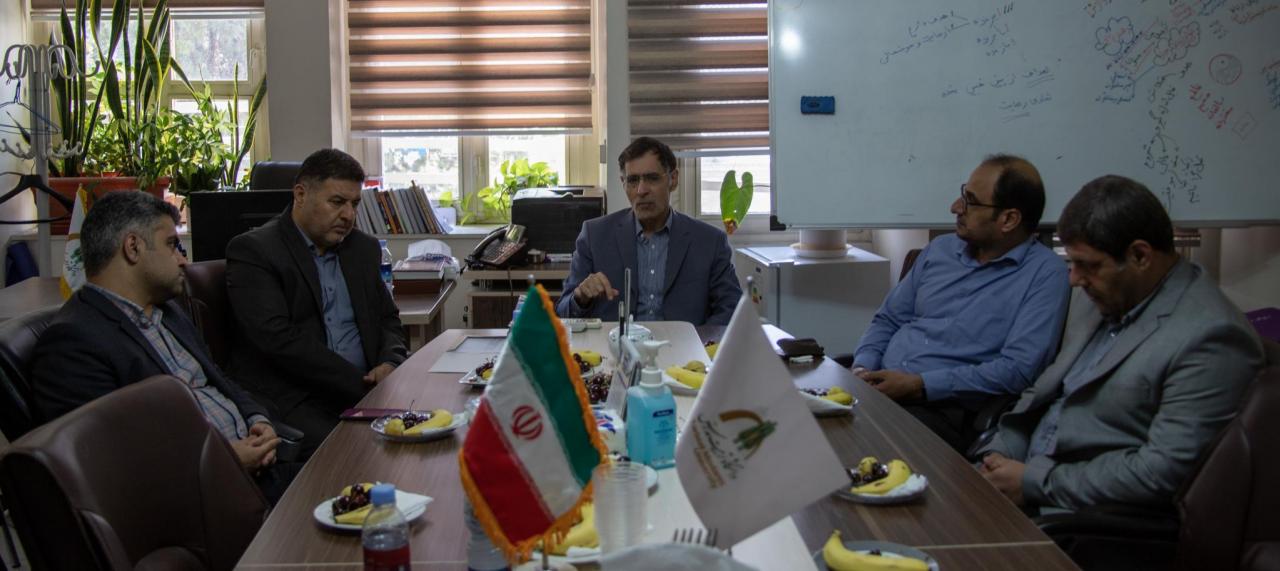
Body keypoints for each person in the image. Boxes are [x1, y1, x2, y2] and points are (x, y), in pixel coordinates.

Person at [977, 175, 1264, 512]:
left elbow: (1160, 473)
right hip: (1020, 480)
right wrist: (999, 453)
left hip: (1078, 518)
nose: (1074, 279)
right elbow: (1047, 392)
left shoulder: (1211, 336)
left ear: (1140, 255)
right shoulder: (1107, 295)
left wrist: (1034, 481)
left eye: (1087, 265)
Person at [29, 191, 296, 503]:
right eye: (171, 244)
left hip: (259, 468)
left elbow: (219, 380)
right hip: (206, 497)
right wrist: (224, 459)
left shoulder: (167, 311)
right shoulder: (73, 343)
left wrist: (257, 419)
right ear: (133, 247)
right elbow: (110, 461)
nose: (182, 259)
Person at [850, 154, 1070, 452]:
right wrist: (862, 368)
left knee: (848, 448)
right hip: (878, 390)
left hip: (940, 410)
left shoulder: (1045, 274)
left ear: (1008, 219)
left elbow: (1018, 370)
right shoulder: (940, 250)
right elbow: (888, 319)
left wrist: (920, 385)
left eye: (971, 201)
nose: (956, 207)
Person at [226, 148, 407, 456]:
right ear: (300, 195)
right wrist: (361, 385)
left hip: (367, 391)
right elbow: (278, 340)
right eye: (337, 202)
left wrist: (390, 363)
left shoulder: (362, 249)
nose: (348, 215)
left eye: (354, 204)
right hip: (298, 398)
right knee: (360, 451)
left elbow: (387, 319)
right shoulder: (255, 251)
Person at [556, 137, 742, 326]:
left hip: (684, 344)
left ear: (673, 179)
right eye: (632, 180)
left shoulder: (709, 241)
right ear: (623, 183)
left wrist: (698, 340)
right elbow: (562, 312)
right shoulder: (594, 235)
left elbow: (731, 310)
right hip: (614, 344)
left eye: (652, 178)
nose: (641, 190)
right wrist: (580, 298)